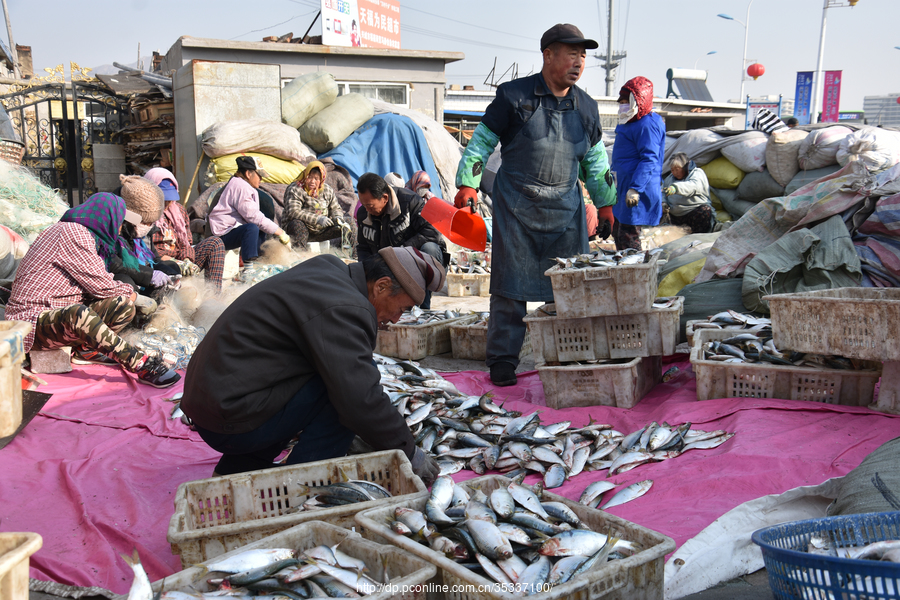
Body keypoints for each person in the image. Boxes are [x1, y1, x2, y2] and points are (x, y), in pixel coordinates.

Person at [180, 247, 445, 483]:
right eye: (401, 308)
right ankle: (302, 489)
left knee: (331, 380)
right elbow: (359, 400)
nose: (397, 319)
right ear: (381, 286)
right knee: (343, 398)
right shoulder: (347, 306)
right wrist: (409, 452)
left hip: (211, 401)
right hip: (227, 415)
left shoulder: (328, 270)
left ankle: (235, 471)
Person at [453, 23, 616, 386]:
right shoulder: (513, 96)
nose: (579, 62)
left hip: (566, 211)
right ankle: (503, 361)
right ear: (548, 55)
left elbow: (596, 163)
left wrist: (605, 206)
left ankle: (568, 356)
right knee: (509, 289)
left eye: (583, 55)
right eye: (571, 53)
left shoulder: (587, 107)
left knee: (570, 290)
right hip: (517, 209)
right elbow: (481, 143)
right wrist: (468, 183)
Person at [5, 193, 180, 387]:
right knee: (80, 314)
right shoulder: (73, 234)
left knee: (122, 305)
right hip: (30, 322)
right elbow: (102, 286)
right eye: (119, 222)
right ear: (108, 219)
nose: (120, 228)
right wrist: (135, 295)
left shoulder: (82, 234)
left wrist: (130, 297)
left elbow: (101, 285)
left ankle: (85, 351)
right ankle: (141, 364)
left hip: (56, 310)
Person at [355, 172, 448, 309]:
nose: (366, 209)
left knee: (429, 249)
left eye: (370, 206)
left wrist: (401, 252)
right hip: (388, 263)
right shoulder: (364, 213)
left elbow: (432, 232)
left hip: (415, 259)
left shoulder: (410, 201)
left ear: (385, 198)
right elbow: (363, 247)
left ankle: (423, 307)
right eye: (364, 205)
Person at [144, 168, 226, 291]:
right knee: (168, 267)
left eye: (170, 198)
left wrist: (186, 260)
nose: (167, 202)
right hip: (157, 263)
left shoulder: (179, 211)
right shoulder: (144, 213)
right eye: (163, 198)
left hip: (180, 260)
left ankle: (213, 295)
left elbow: (186, 243)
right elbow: (144, 248)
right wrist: (171, 261)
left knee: (215, 243)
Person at [610, 76, 666, 251]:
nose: (623, 105)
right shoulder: (629, 123)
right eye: (621, 102)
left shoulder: (647, 125)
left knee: (628, 236)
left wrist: (635, 188)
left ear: (638, 100)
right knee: (618, 231)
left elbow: (649, 158)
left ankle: (633, 272)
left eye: (626, 101)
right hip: (623, 187)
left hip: (635, 189)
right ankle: (624, 270)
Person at [207, 155, 290, 264]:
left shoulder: (243, 185)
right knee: (251, 228)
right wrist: (280, 232)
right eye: (259, 175)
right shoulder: (240, 186)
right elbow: (253, 216)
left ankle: (259, 259)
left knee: (259, 228)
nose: (261, 179)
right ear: (248, 174)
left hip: (229, 230)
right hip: (219, 235)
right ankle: (249, 268)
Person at [281, 161, 352, 251]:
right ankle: (299, 258)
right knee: (297, 225)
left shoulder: (327, 190)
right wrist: (317, 219)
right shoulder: (295, 189)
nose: (312, 181)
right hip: (301, 230)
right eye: (309, 177)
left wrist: (337, 217)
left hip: (321, 231)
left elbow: (335, 208)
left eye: (316, 178)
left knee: (349, 223)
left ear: (321, 179)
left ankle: (351, 256)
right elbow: (293, 212)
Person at [662, 152, 714, 234]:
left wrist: (675, 188)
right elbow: (663, 192)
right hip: (675, 216)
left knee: (705, 210)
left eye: (677, 169)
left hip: (693, 214)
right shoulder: (670, 178)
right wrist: (663, 202)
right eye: (672, 170)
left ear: (685, 167)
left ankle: (697, 236)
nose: (674, 172)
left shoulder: (697, 173)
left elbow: (693, 186)